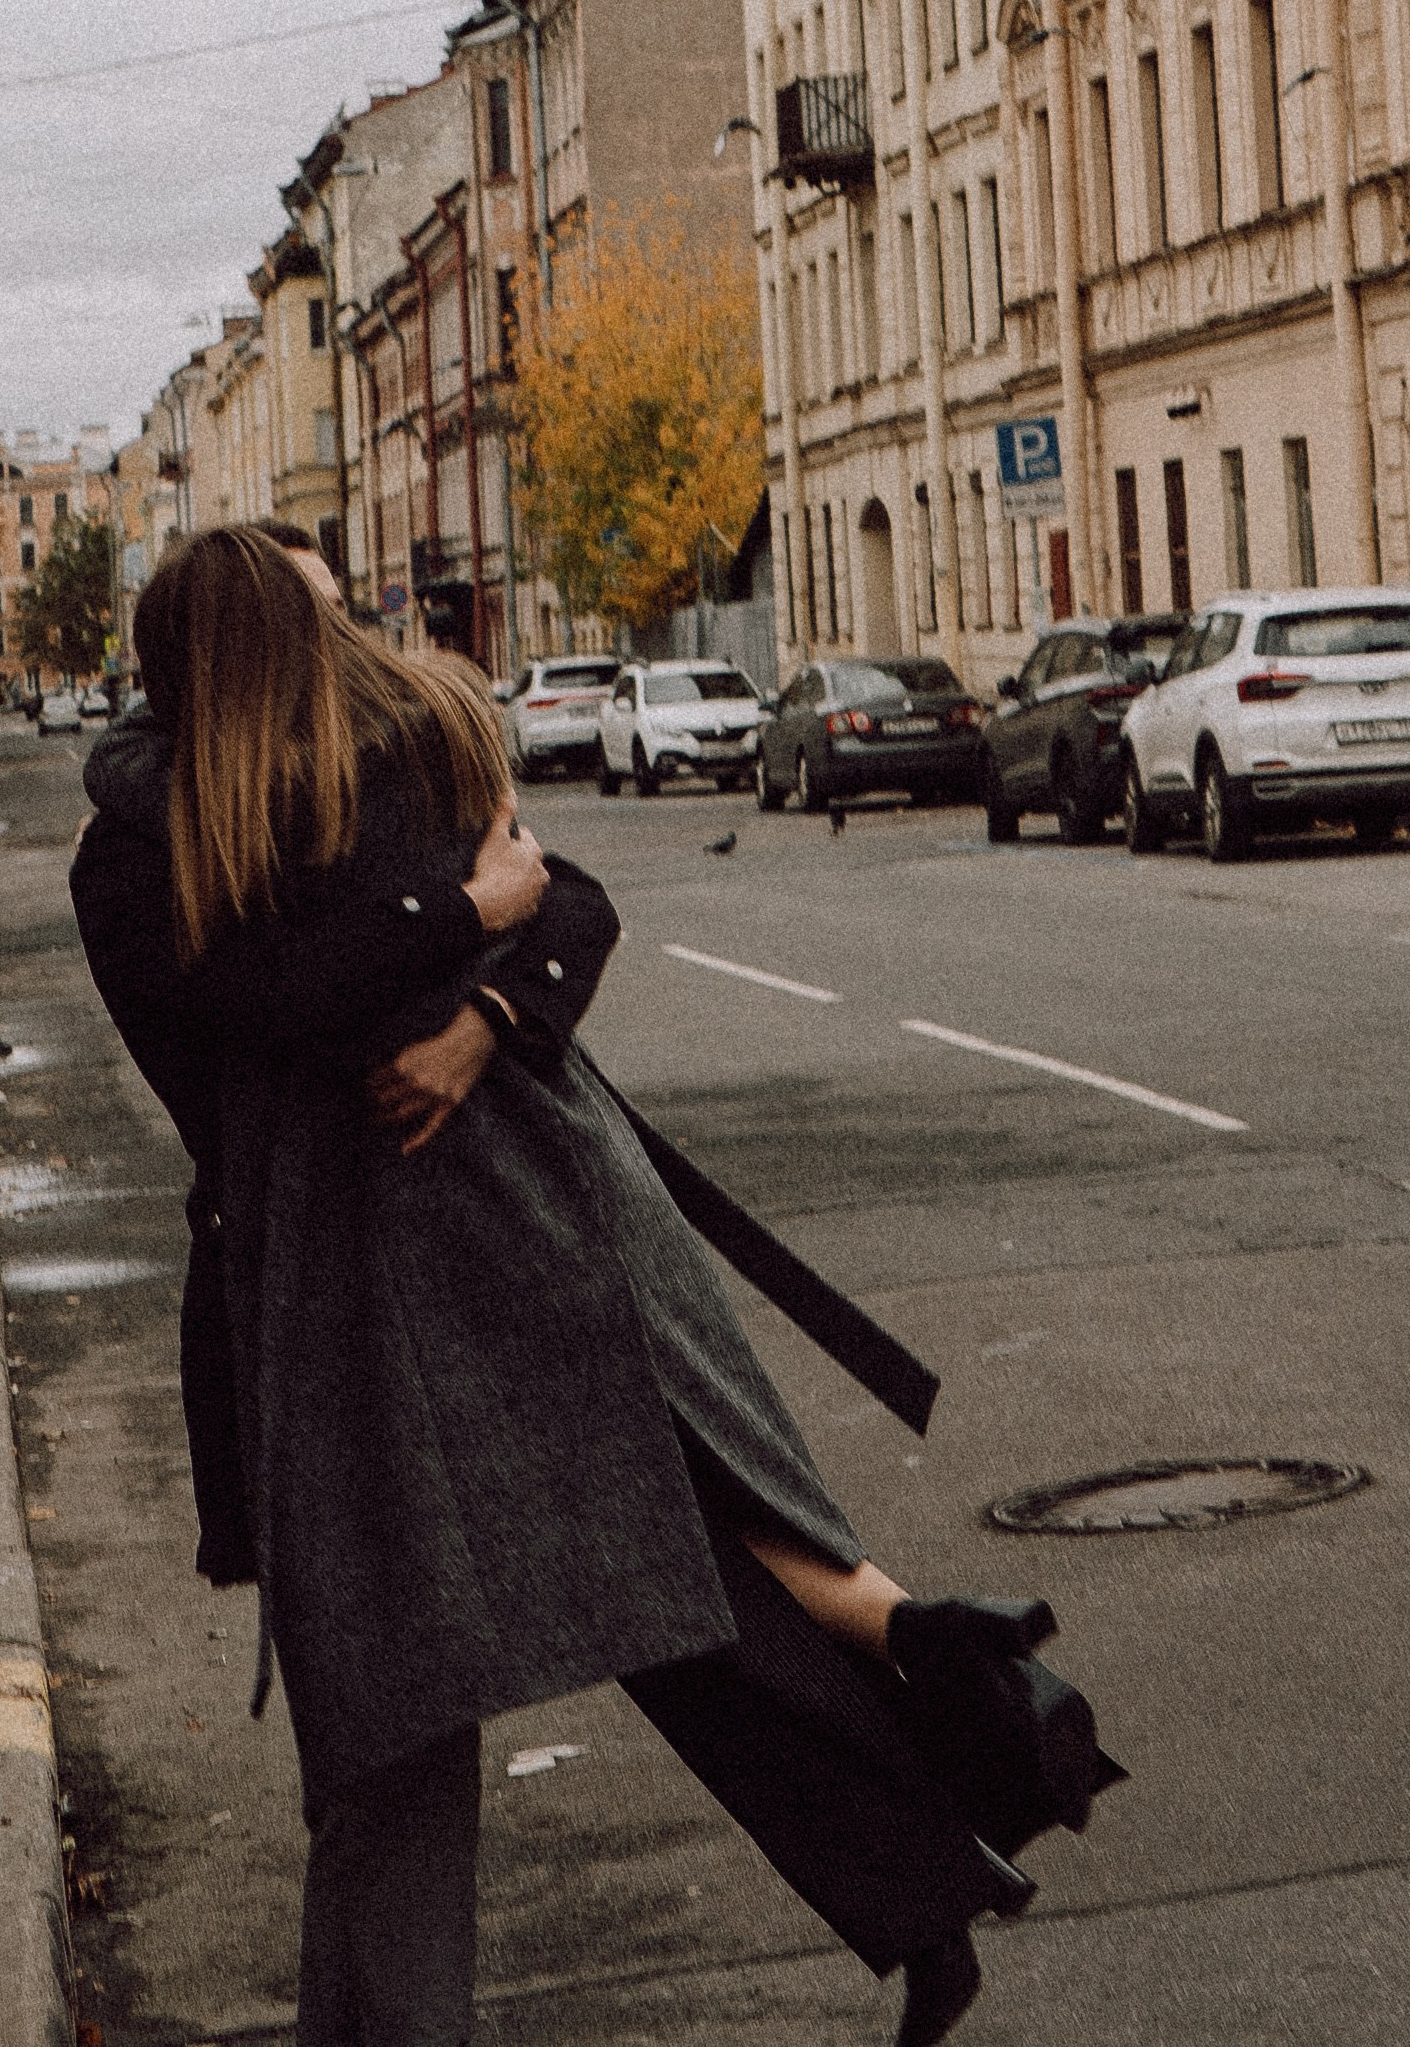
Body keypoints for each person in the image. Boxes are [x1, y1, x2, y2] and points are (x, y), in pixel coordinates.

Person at [73, 528, 1116, 2047]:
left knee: (678, 1606)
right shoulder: (154, 842)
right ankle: (940, 1718)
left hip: (507, 1252)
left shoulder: (399, 750)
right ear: (235, 657)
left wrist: (489, 1003)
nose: (345, 632)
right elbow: (272, 997)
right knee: (405, 1721)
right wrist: (474, 921)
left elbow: (566, 898)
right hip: (340, 1312)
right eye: (310, 614)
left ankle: (932, 1836)